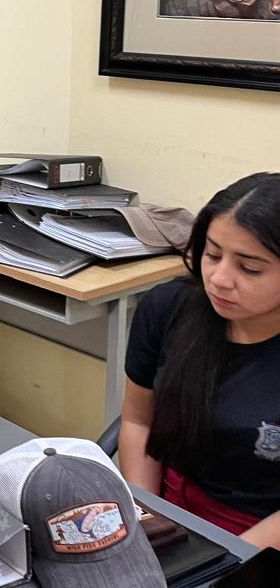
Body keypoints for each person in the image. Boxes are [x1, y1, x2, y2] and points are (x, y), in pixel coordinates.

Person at [119, 172, 280, 548]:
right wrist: (148, 519)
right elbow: (138, 421)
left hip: (261, 535)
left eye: (249, 268)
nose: (219, 279)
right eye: (212, 254)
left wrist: (230, 562)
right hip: (172, 511)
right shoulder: (168, 307)